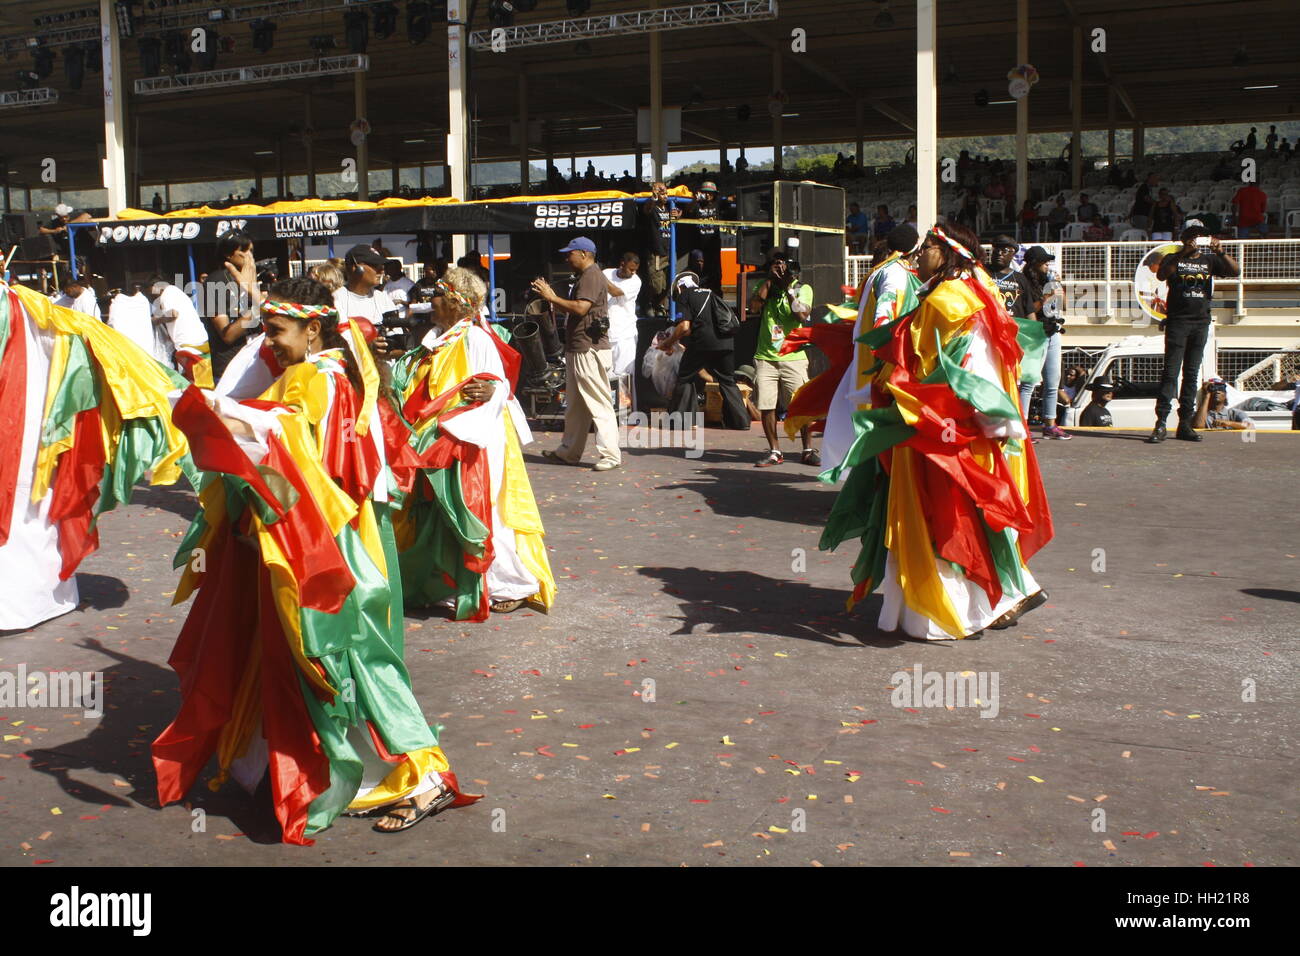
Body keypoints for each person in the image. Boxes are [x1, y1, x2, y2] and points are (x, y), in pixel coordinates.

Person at [153, 276, 478, 841]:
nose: (267, 342)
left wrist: (220, 414)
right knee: (338, 658)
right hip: (337, 537)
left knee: (349, 659)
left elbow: (287, 442)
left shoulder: (315, 377)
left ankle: (425, 776)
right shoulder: (339, 373)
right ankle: (312, 766)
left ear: (313, 328)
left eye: (276, 331)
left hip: (328, 546)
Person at [818, 223, 1052, 641]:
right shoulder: (946, 293)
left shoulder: (953, 299)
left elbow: (978, 363)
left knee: (948, 518)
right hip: (923, 423)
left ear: (946, 253)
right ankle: (1000, 596)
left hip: (942, 428)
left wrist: (994, 421)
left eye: (927, 247)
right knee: (954, 516)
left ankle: (967, 606)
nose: (919, 254)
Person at [0, 281, 197, 631]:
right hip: (31, 423)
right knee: (32, 502)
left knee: (28, 501)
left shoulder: (25, 306)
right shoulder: (33, 306)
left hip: (26, 422)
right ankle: (38, 599)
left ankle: (24, 603)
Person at [387, 266, 556, 620]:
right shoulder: (435, 337)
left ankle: (510, 585)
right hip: (439, 442)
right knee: (443, 515)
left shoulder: (475, 338)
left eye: (436, 293)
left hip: (475, 442)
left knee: (486, 511)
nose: (429, 299)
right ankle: (450, 583)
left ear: (452, 301)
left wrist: (494, 389)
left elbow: (499, 383)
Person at [806, 223, 921, 472]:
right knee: (876, 428)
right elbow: (885, 313)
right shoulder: (895, 273)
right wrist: (885, 352)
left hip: (872, 359)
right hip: (882, 363)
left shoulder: (882, 271)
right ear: (914, 249)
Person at [531, 237, 621, 471]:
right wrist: (551, 299)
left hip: (588, 348)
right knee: (577, 407)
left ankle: (611, 454)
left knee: (599, 404)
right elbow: (577, 309)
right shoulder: (588, 275)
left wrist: (551, 297)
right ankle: (568, 452)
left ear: (583, 253)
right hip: (580, 347)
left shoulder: (591, 275)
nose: (566, 257)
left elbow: (581, 308)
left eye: (570, 253)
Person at [1147, 225, 1240, 443]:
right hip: (1178, 322)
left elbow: (1235, 271)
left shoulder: (1209, 260)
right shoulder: (1174, 257)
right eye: (1192, 237)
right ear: (1184, 239)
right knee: (1170, 373)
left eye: (1200, 238)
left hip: (1200, 322)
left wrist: (1220, 251)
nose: (1196, 241)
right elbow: (1161, 275)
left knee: (1191, 374)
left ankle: (1184, 424)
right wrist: (1183, 253)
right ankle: (1160, 423)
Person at [747, 250, 817, 467]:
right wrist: (769, 280)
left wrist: (787, 287)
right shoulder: (764, 287)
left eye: (783, 265)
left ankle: (807, 449)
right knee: (767, 406)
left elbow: (801, 315)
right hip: (765, 357)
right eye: (776, 265)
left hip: (793, 356)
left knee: (801, 404)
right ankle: (775, 451)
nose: (780, 269)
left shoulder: (802, 288)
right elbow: (754, 308)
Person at [656, 271, 748, 430]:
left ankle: (679, 422)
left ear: (680, 287)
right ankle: (740, 422)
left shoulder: (686, 295)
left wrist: (668, 342)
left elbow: (684, 327)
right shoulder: (710, 293)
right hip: (726, 342)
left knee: (685, 377)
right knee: (727, 380)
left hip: (703, 342)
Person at [199, 230, 262, 387]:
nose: (249, 256)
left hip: (254, 364)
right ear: (228, 254)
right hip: (230, 370)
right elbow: (227, 335)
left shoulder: (249, 280)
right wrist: (258, 307)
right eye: (243, 250)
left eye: (251, 251)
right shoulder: (216, 282)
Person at [1020, 247, 1070, 440]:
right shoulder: (1023, 281)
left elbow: (1064, 305)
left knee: (1053, 381)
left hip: (1053, 331)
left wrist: (1057, 286)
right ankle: (1023, 425)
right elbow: (1027, 308)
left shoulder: (1049, 281)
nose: (1047, 266)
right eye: (1044, 262)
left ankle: (1050, 424)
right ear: (1034, 264)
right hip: (1035, 333)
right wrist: (1045, 298)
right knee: (1029, 380)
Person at [148, 275, 213, 386]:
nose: (153, 295)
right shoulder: (176, 292)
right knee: (204, 379)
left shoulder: (166, 295)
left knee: (192, 383)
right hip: (200, 338)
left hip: (188, 345)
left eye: (151, 291)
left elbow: (174, 314)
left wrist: (156, 320)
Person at [603, 251, 642, 412]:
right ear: (622, 264)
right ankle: (609, 411)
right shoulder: (606, 273)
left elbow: (615, 292)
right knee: (607, 375)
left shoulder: (635, 281)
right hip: (606, 333)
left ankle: (628, 411)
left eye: (635, 270)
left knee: (625, 375)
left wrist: (596, 276)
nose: (633, 273)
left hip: (625, 334)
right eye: (631, 269)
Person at [638, 181, 678, 317]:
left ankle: (659, 305)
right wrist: (653, 198)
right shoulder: (652, 207)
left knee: (668, 283)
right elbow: (647, 209)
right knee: (655, 284)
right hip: (656, 252)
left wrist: (678, 216)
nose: (665, 196)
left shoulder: (668, 208)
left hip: (668, 251)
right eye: (662, 193)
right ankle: (647, 304)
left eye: (666, 193)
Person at [684, 182, 723, 289]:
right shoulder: (696, 205)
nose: (708, 195)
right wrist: (695, 200)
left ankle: (716, 298)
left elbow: (730, 201)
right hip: (698, 248)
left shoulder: (717, 204)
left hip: (713, 247)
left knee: (715, 274)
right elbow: (687, 211)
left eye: (711, 193)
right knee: (699, 274)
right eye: (705, 193)